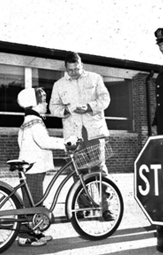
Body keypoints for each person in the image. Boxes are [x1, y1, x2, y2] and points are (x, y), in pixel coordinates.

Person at [49, 51, 114, 221]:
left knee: (99, 171)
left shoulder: (95, 78)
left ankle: (106, 208)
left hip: (94, 132)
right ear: (65, 68)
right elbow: (53, 107)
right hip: (73, 135)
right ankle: (84, 207)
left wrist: (90, 107)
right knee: (78, 172)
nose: (73, 73)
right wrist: (65, 111)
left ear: (81, 65)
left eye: (76, 69)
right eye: (70, 70)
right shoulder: (59, 84)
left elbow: (105, 99)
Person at [16, 87, 65, 247]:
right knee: (32, 203)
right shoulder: (35, 122)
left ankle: (35, 232)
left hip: (31, 167)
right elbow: (44, 141)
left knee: (34, 202)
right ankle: (25, 236)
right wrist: (65, 142)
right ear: (34, 104)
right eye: (43, 101)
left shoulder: (28, 121)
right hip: (34, 168)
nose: (45, 104)